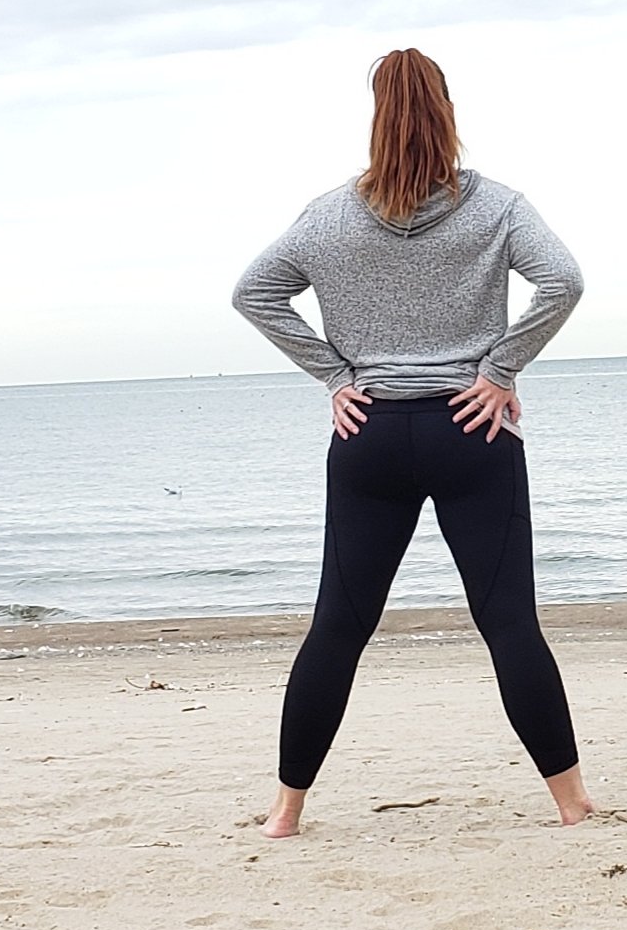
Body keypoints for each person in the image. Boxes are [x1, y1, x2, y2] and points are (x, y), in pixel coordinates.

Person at [231, 47, 591, 836]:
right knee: (507, 623)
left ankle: (284, 815)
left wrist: (335, 377)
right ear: (446, 111)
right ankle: (571, 807)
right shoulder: (495, 205)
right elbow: (562, 280)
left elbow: (253, 292)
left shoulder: (327, 214)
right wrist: (498, 369)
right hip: (472, 426)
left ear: (374, 116)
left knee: (338, 625)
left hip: (371, 434)